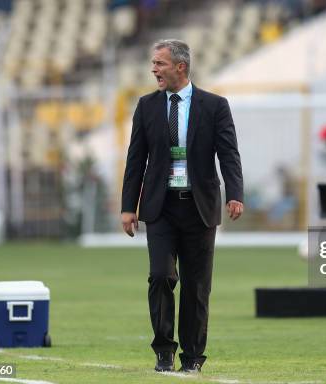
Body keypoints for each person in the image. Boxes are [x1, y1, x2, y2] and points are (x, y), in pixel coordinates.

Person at [120, 39, 244, 373]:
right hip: (160, 207)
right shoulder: (146, 107)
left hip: (200, 207)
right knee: (161, 276)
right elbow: (136, 160)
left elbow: (228, 154)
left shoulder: (215, 106)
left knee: (197, 286)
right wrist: (128, 206)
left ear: (180, 67)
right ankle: (163, 350)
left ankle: (192, 358)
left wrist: (235, 193)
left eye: (159, 63)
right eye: (153, 63)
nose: (153, 69)